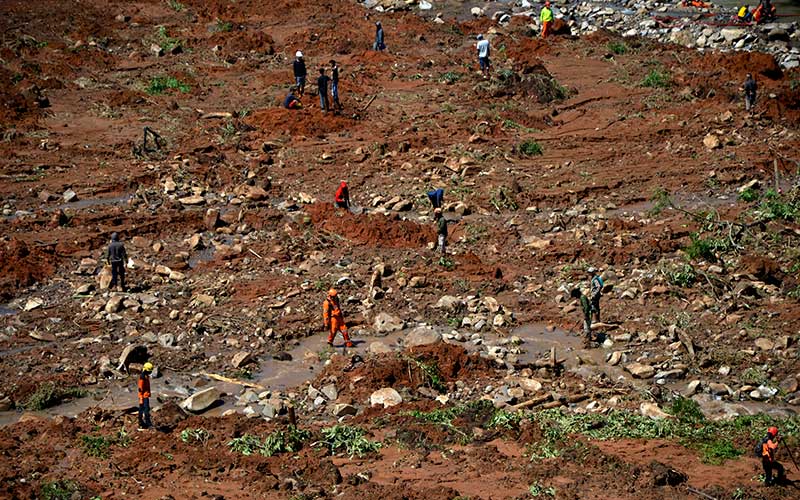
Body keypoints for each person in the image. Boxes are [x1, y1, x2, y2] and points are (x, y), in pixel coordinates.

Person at [138, 361, 153, 429]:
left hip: (145, 396)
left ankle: (141, 422)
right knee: (146, 410)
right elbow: (140, 389)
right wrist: (141, 399)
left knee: (142, 410)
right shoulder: (142, 378)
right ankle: (148, 424)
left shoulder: (146, 376)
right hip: (143, 397)